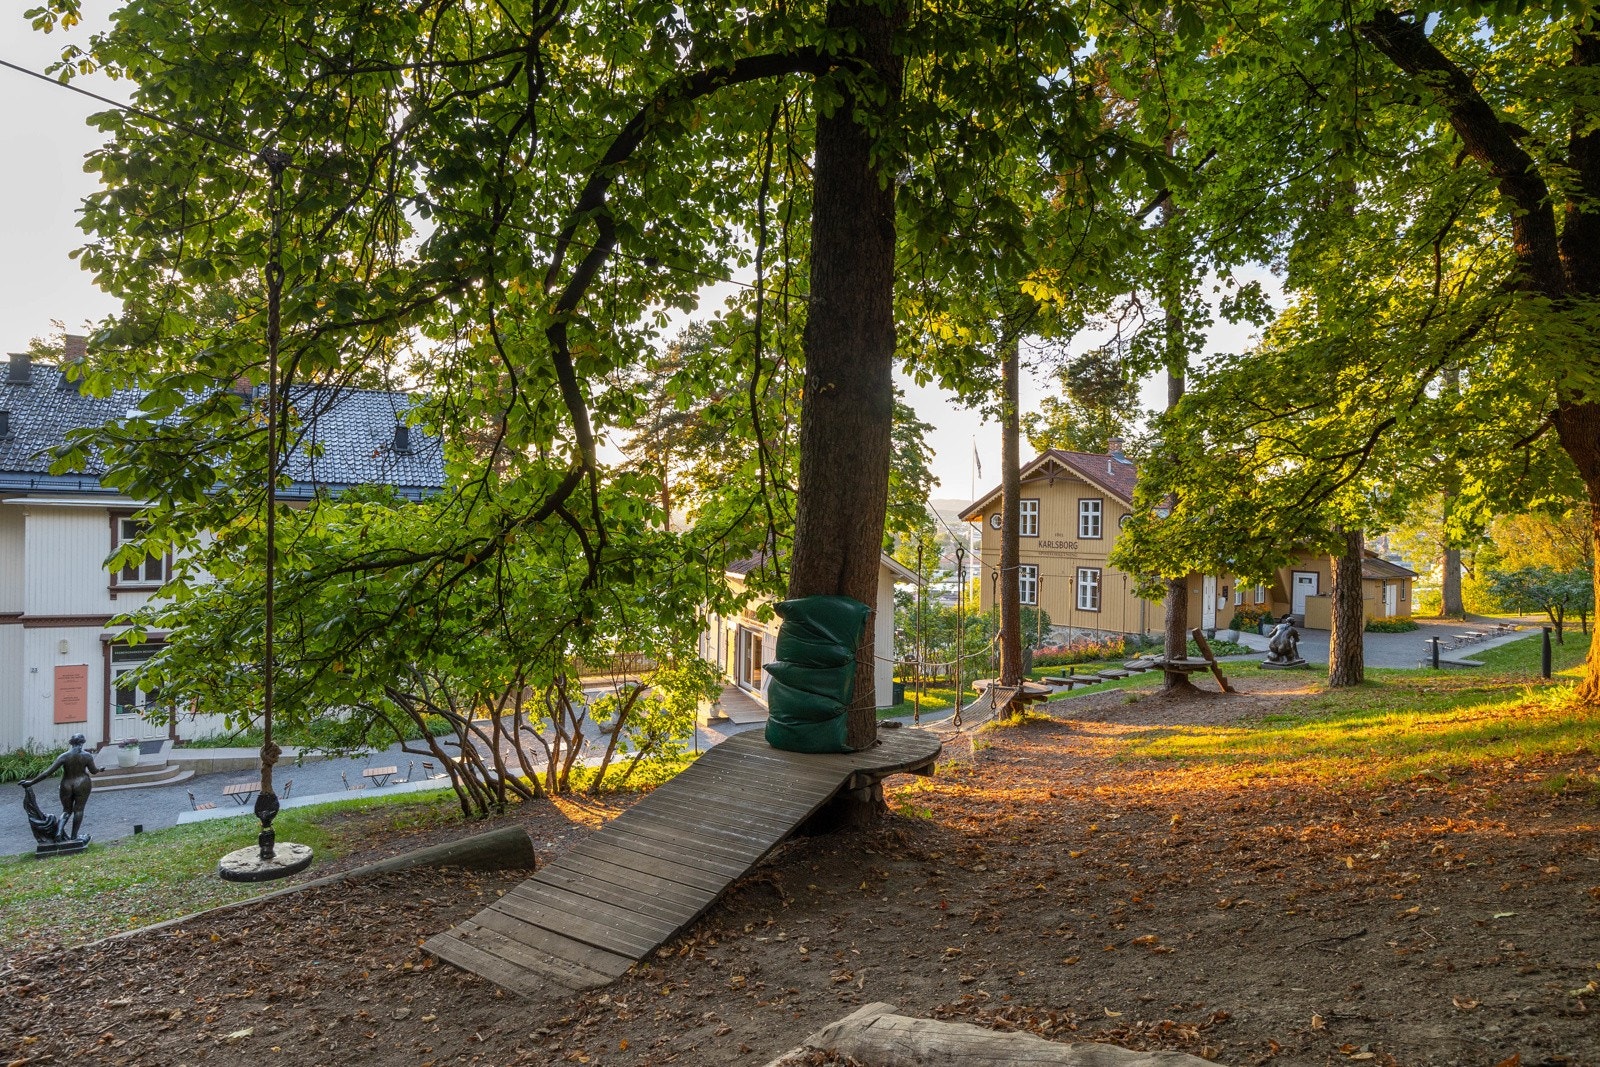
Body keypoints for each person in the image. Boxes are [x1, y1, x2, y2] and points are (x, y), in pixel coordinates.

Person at [21, 733, 99, 840]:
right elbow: (93, 771)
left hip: (66, 784)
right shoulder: (87, 756)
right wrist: (100, 769)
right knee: (79, 810)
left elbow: (47, 773)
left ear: (71, 743)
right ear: (82, 742)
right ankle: (74, 837)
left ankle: (59, 831)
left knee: (66, 810)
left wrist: (31, 782)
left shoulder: (64, 756)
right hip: (82, 783)